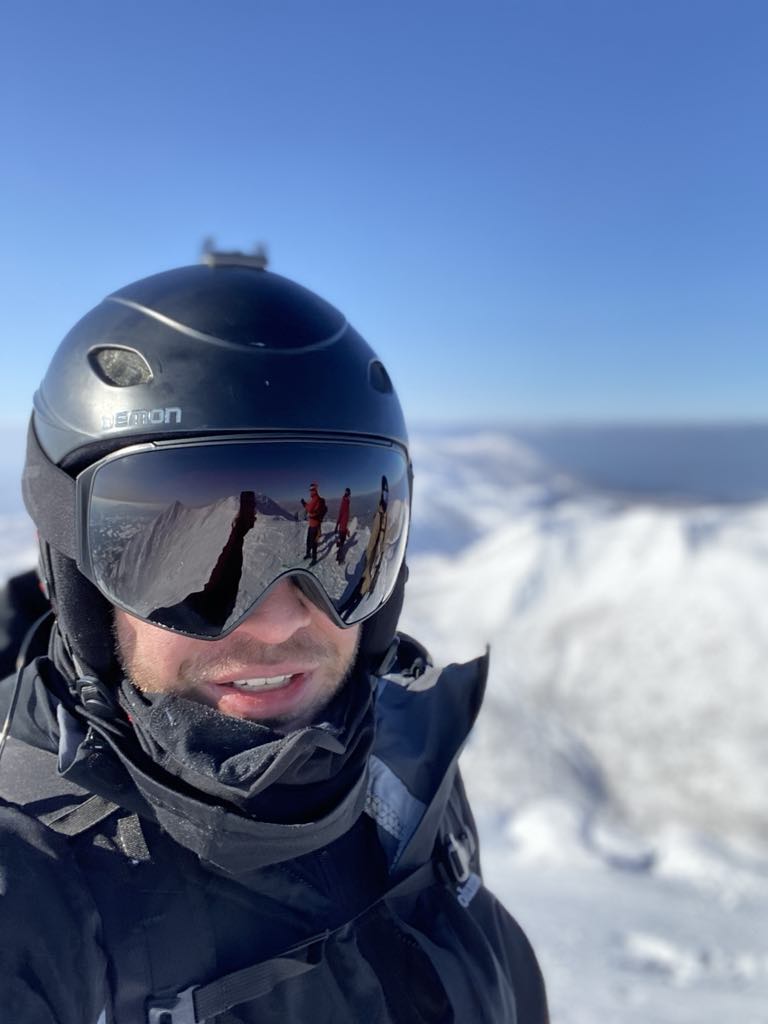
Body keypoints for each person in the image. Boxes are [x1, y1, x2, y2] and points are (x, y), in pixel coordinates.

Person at [0, 256, 549, 1024]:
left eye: (341, 549)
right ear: (78, 576)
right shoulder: (31, 882)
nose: (279, 621)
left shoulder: (404, 762)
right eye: (185, 563)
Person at [300, 482, 326, 565]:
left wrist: (304, 504)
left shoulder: (316, 499)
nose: (310, 491)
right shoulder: (314, 499)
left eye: (312, 490)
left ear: (315, 490)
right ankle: (308, 554)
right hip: (312, 524)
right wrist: (306, 505)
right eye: (310, 490)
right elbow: (310, 507)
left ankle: (314, 558)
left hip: (315, 525)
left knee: (314, 543)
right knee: (309, 540)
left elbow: (310, 509)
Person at [335, 487, 351, 562]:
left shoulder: (346, 502)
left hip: (343, 526)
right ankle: (339, 558)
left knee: (342, 541)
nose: (349, 497)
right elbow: (340, 514)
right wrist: (337, 525)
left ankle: (338, 548)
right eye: (348, 494)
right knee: (342, 542)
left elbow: (344, 516)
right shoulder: (344, 502)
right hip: (342, 527)